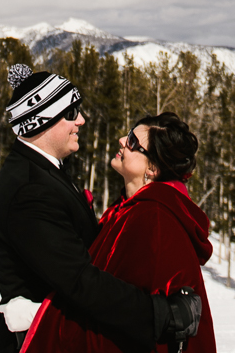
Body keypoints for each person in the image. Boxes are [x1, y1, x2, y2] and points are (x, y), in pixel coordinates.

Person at [0, 64, 199, 353]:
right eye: (71, 113)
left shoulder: (43, 171)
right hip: (40, 343)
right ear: (42, 121)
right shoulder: (30, 190)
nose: (82, 120)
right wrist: (159, 314)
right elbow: (80, 281)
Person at [22, 111, 216, 353]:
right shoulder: (127, 210)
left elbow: (131, 310)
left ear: (152, 168)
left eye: (133, 142)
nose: (122, 141)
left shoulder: (155, 218)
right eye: (128, 134)